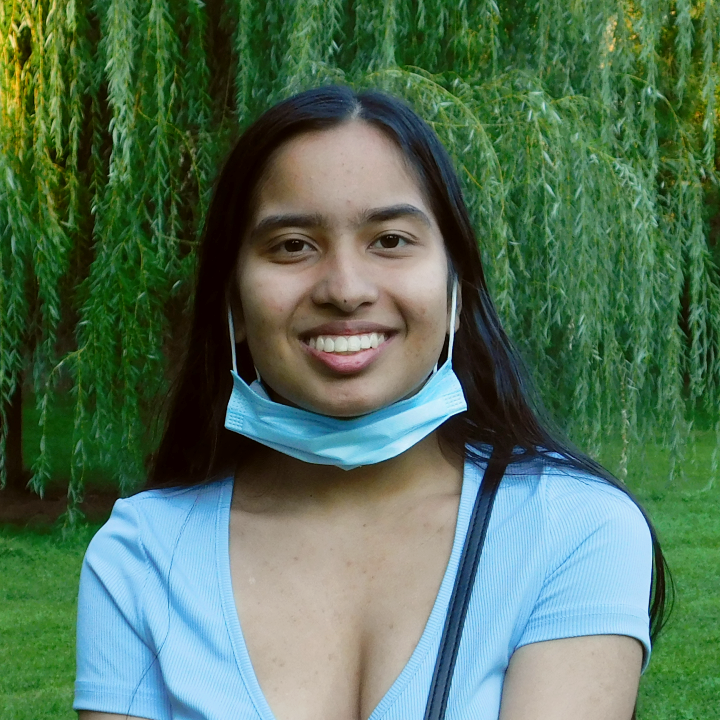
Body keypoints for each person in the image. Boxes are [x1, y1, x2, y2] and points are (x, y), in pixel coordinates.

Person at [74, 86, 668, 720]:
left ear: (455, 289)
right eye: (293, 246)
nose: (346, 290)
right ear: (233, 305)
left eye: (390, 240)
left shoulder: (574, 530)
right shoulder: (141, 557)